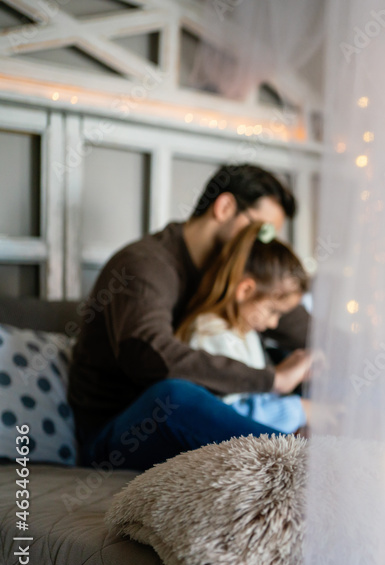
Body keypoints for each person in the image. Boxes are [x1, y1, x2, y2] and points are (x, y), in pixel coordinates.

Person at [68, 164, 313, 471]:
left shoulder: (234, 277)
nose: (264, 245)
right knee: (173, 397)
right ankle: (304, 465)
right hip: (115, 436)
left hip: (200, 423)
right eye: (261, 231)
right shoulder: (146, 265)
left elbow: (308, 330)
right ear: (225, 208)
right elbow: (153, 358)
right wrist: (273, 380)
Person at [176, 221, 312, 434]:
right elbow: (230, 418)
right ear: (246, 290)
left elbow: (255, 395)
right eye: (272, 311)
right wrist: (299, 410)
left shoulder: (244, 330)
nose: (273, 324)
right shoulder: (209, 334)